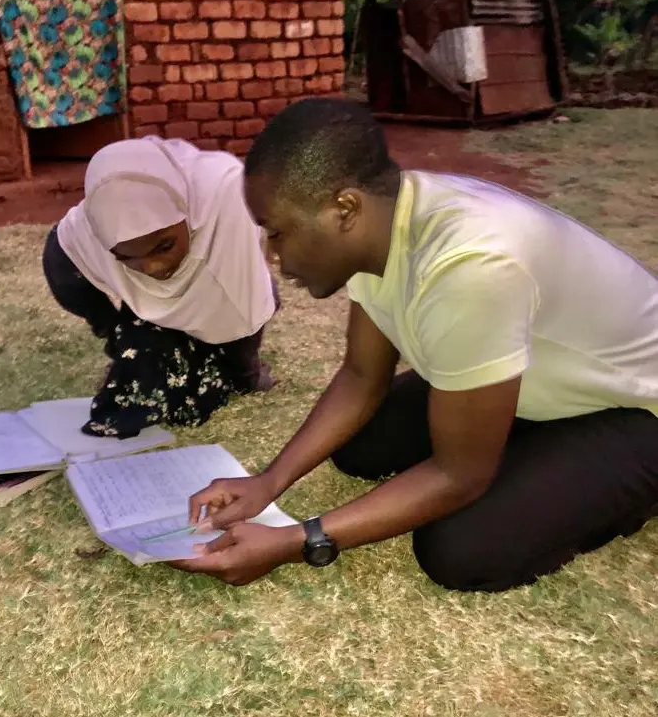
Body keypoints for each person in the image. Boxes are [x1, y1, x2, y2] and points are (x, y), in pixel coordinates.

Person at [173, 97, 658, 591]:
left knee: (463, 549)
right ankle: (522, 445)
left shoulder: (470, 265)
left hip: (635, 408)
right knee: (361, 446)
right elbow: (363, 377)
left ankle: (623, 487)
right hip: (535, 381)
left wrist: (299, 540)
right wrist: (267, 483)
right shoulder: (385, 223)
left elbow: (459, 475)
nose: (272, 255)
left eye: (278, 233)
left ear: (344, 209)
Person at [42, 135, 278, 439]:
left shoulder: (225, 194)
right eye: (127, 258)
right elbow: (61, 268)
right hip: (147, 303)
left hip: (215, 283)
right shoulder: (89, 225)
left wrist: (247, 375)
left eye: (164, 246)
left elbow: (246, 304)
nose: (153, 268)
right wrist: (111, 330)